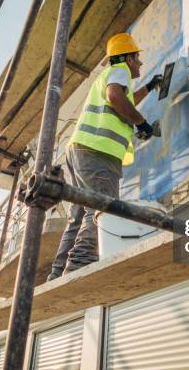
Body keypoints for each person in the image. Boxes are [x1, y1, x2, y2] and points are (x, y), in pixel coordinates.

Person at [47, 33, 162, 281]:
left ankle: (57, 274)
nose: (140, 63)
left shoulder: (111, 76)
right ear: (128, 58)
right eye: (138, 58)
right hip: (98, 154)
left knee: (78, 215)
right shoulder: (119, 70)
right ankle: (80, 268)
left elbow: (124, 98)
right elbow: (115, 97)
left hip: (80, 150)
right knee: (103, 210)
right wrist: (142, 124)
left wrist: (150, 87)